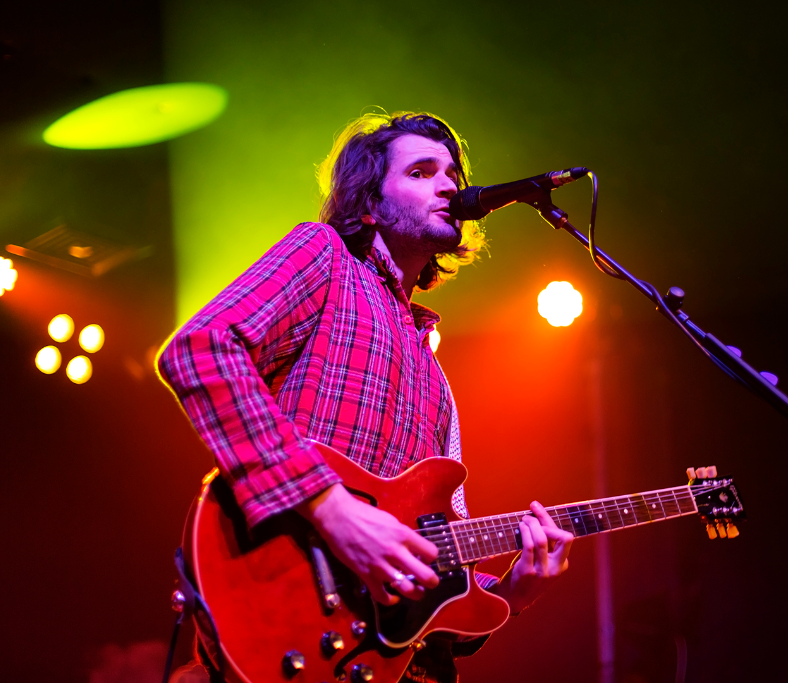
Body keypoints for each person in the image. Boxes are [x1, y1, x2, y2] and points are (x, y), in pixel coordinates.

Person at [157, 111, 574, 683]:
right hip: (278, 619)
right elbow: (202, 348)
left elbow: (430, 589)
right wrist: (331, 507)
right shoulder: (327, 256)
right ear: (370, 204)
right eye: (421, 172)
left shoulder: (434, 378)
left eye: (452, 174)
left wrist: (513, 593)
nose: (449, 186)